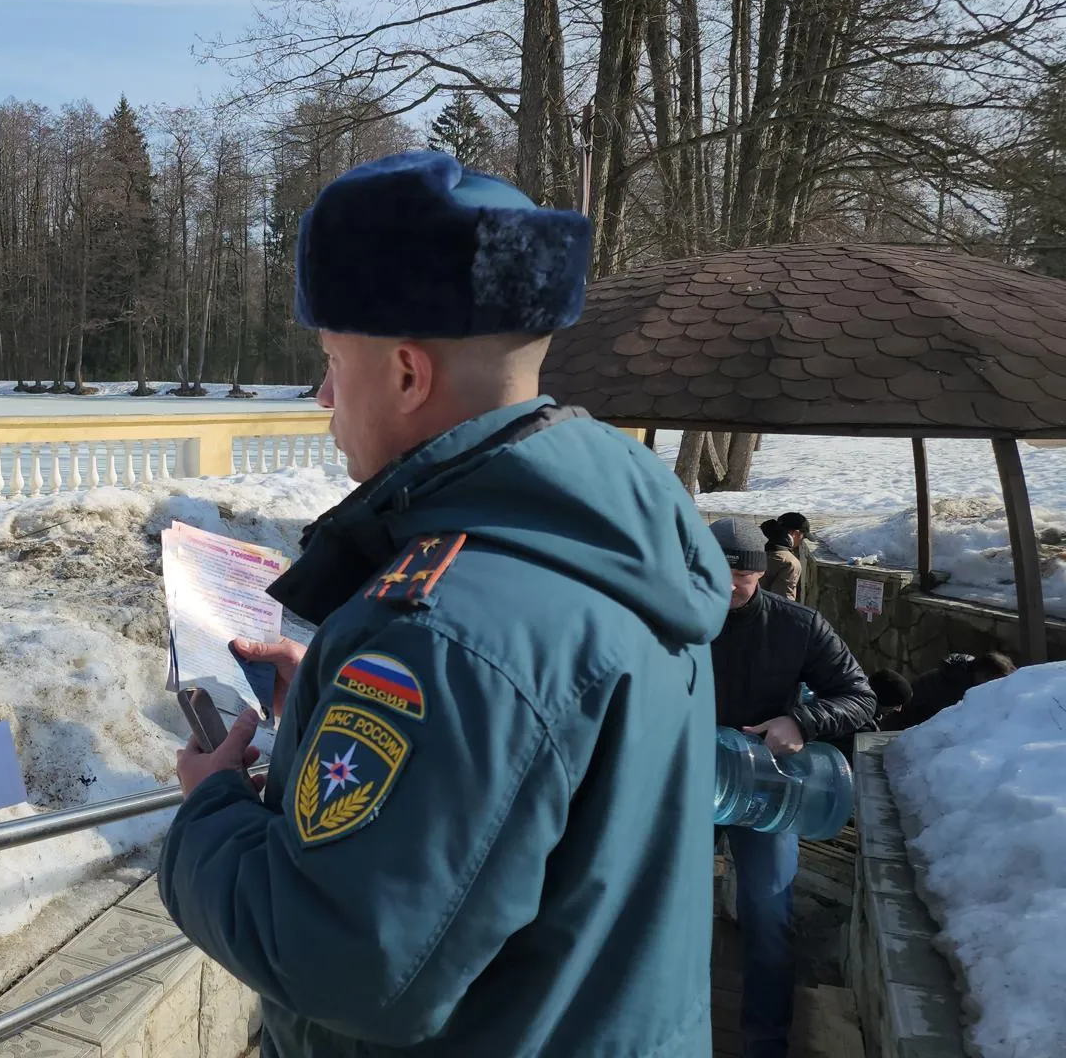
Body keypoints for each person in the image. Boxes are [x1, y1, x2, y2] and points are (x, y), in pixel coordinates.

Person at [158, 150, 734, 1057]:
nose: (321, 398)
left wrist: (211, 810)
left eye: (330, 361)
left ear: (406, 375)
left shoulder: (441, 633)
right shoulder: (618, 552)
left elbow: (344, 963)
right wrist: (327, 703)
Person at [706, 517, 876, 1058]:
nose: (726, 584)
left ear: (759, 573)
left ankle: (765, 1042)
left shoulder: (797, 626)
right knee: (666, 912)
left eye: (740, 574)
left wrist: (801, 723)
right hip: (685, 789)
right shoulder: (671, 618)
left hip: (764, 793)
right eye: (713, 570)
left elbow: (860, 698)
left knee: (769, 917)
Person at [878, 650, 1016, 731]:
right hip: (901, 731)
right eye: (996, 682)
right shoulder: (951, 688)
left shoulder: (962, 676)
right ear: (981, 674)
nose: (998, 688)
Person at [759, 512, 814, 604]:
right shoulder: (789, 563)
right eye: (803, 537)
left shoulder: (752, 544)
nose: (801, 542)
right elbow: (783, 603)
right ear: (795, 533)